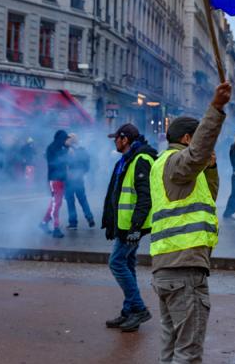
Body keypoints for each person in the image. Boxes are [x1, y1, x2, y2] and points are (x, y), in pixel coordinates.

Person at [149, 82, 230, 363]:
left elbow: (209, 196)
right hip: (183, 270)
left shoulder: (166, 166)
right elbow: (197, 152)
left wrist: (211, 167)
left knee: (172, 350)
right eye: (197, 140)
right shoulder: (175, 162)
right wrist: (216, 109)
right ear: (186, 139)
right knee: (188, 353)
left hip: (170, 268)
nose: (204, 147)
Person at [101, 123, 157, 332]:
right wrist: (112, 223)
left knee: (116, 263)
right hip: (125, 224)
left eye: (116, 138)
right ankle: (129, 311)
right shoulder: (127, 159)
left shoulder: (141, 159)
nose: (114, 141)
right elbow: (117, 194)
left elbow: (145, 197)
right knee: (127, 263)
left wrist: (135, 227)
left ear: (125, 139)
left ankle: (140, 309)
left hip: (133, 224)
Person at [40, 130, 69, 238]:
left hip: (61, 178)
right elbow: (55, 162)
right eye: (64, 139)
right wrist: (66, 150)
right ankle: (56, 227)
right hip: (54, 178)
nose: (65, 141)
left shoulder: (61, 147)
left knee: (56, 203)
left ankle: (43, 223)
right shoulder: (52, 148)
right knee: (56, 204)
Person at [65, 134, 95, 229]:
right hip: (79, 178)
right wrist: (82, 173)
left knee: (70, 201)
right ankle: (90, 218)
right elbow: (87, 165)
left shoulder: (67, 151)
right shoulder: (83, 150)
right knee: (83, 199)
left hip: (69, 179)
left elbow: (64, 163)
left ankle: (73, 223)